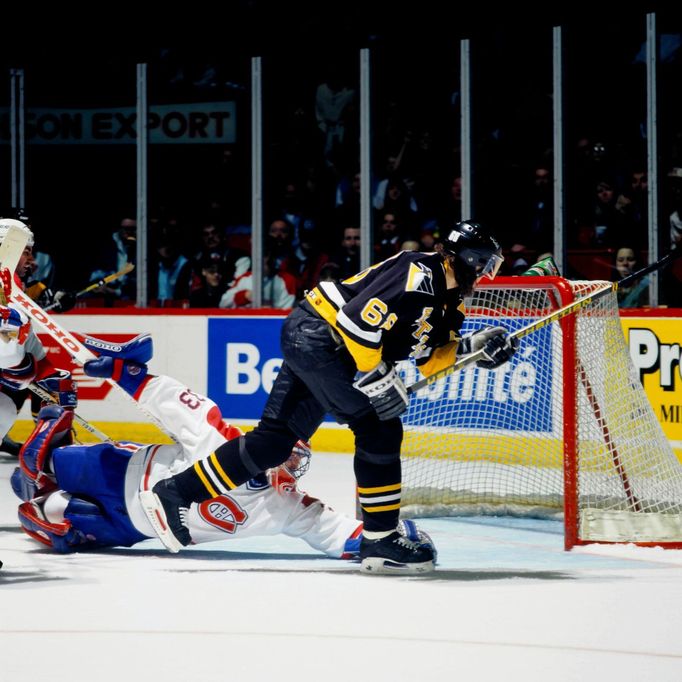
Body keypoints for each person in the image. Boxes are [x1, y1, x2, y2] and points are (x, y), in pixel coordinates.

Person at [143, 220, 518, 574]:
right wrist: (374, 372)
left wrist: (474, 349)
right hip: (323, 339)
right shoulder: (421, 272)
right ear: (468, 258)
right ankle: (380, 539)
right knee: (379, 429)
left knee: (274, 443)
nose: (488, 274)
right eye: (486, 264)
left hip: (319, 337)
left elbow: (428, 359)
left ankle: (174, 492)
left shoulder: (450, 299)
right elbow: (356, 322)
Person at [11, 334, 434, 559]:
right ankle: (50, 412)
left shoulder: (284, 504)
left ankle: (48, 498)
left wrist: (388, 537)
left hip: (127, 529)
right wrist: (127, 374)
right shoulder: (226, 442)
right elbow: (176, 403)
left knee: (53, 518)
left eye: (297, 459)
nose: (290, 463)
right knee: (28, 473)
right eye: (288, 450)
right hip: (117, 470)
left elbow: (339, 535)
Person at [0, 219, 77, 456]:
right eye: (26, 252)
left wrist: (49, 376)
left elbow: (25, 347)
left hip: (7, 382)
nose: (32, 261)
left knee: (58, 386)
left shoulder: (13, 294)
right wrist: (23, 369)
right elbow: (8, 356)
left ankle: (55, 457)